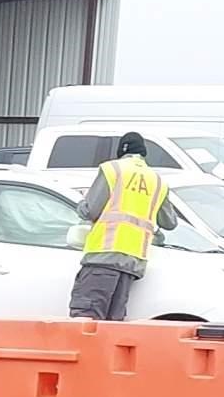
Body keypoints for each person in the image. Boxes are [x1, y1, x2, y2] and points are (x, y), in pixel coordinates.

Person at [68, 132, 182, 321]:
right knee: (113, 324)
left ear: (121, 150)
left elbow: (90, 211)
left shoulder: (112, 169)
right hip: (133, 262)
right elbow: (169, 222)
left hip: (103, 255)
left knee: (86, 319)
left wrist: (82, 202)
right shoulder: (157, 181)